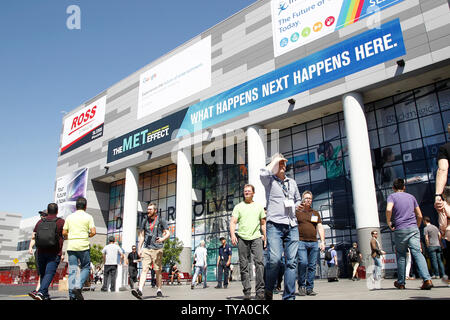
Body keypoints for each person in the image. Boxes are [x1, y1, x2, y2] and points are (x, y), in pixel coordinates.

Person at [260, 153, 301, 300]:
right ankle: (269, 289)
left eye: (284, 163)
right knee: (275, 260)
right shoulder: (269, 181)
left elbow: (298, 199)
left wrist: (296, 206)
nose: (283, 165)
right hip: (274, 226)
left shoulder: (292, 182)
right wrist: (275, 161)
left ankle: (289, 296)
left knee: (291, 263)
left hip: (292, 225)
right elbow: (263, 172)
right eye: (280, 163)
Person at [386, 178, 433, 290]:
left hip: (400, 229)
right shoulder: (411, 197)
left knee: (401, 255)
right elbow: (420, 215)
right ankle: (427, 279)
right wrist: (416, 226)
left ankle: (401, 282)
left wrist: (389, 222)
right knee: (417, 253)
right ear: (404, 187)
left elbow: (388, 209)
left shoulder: (392, 197)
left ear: (393, 188)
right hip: (413, 228)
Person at [230, 184, 266, 300]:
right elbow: (233, 222)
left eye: (249, 191)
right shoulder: (238, 207)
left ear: (253, 193)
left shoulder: (259, 207)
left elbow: (263, 224)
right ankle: (247, 291)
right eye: (245, 191)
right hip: (242, 238)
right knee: (244, 265)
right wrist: (232, 235)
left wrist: (265, 237)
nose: (246, 192)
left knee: (259, 263)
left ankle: (260, 291)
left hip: (256, 238)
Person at [132, 202, 170, 299]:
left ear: (155, 210)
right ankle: (140, 290)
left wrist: (162, 239)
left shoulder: (161, 220)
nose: (148, 211)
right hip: (147, 248)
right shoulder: (144, 221)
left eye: (150, 209)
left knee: (157, 271)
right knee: (145, 269)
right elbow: (141, 236)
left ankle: (159, 289)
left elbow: (168, 233)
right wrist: (139, 249)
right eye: (148, 209)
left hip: (158, 249)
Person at [28, 204, 65, 300]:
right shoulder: (61, 222)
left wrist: (30, 247)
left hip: (41, 251)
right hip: (54, 252)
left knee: (43, 273)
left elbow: (34, 235)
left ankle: (45, 295)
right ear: (57, 211)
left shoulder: (40, 221)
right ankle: (41, 292)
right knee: (49, 273)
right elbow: (65, 234)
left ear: (47, 211)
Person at [62, 197, 96, 300]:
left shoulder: (69, 217)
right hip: (83, 246)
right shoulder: (88, 217)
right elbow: (93, 231)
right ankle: (78, 286)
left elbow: (64, 232)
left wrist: (70, 236)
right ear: (85, 206)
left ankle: (72, 295)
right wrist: (87, 235)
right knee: (85, 267)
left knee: (72, 269)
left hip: (71, 246)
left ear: (76, 206)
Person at [295, 190, 325, 296]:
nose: (308, 200)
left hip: (313, 243)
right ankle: (301, 285)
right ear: (302, 199)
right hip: (301, 242)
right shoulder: (297, 212)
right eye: (306, 198)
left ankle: (309, 288)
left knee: (312, 266)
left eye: (310, 198)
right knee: (303, 263)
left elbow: (320, 227)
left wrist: (322, 241)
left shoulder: (315, 213)